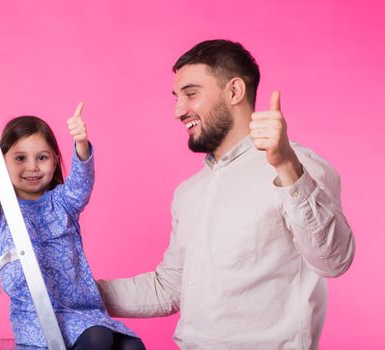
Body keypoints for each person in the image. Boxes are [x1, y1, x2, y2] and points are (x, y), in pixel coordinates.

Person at [97, 40, 355, 349]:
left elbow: (334, 261)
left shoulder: (298, 166)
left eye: (191, 94)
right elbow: (168, 288)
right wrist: (73, 290)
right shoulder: (189, 192)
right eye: (177, 97)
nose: (179, 110)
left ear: (234, 91)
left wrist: (287, 166)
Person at [0, 104, 145, 349]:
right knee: (97, 337)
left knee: (132, 345)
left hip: (82, 310)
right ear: (1, 163)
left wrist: (81, 144)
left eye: (42, 157)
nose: (33, 166)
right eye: (20, 158)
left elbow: (81, 184)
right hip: (37, 318)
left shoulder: (63, 202)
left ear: (55, 161)